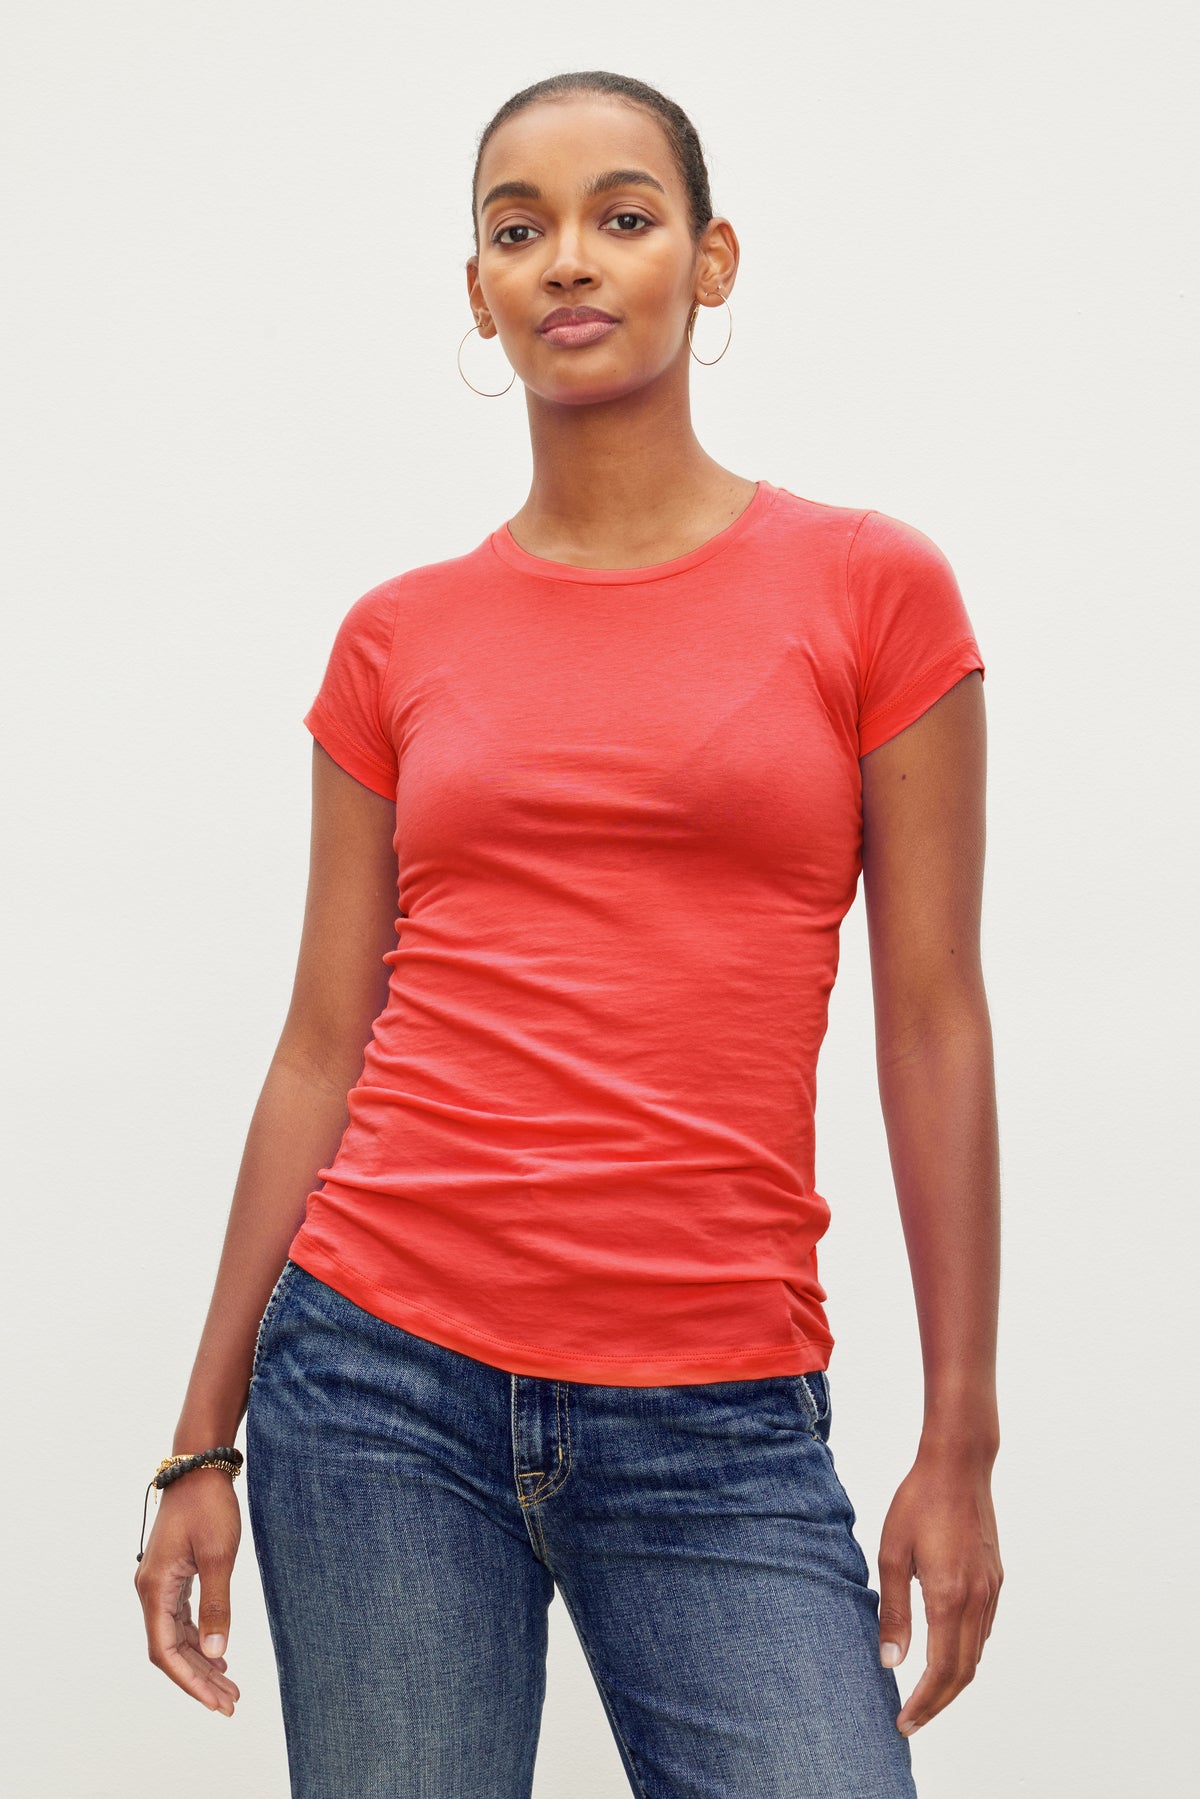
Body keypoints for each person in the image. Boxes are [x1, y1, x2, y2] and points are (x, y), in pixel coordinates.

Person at [134, 68, 1003, 1798]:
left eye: (624, 215)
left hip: (720, 1412)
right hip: (376, 1382)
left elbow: (934, 1023)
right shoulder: (398, 639)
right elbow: (325, 1043)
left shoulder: (868, 590)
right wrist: (195, 1442)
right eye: (518, 231)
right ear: (477, 292)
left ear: (713, 257)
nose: (571, 262)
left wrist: (960, 1439)